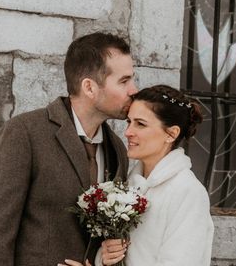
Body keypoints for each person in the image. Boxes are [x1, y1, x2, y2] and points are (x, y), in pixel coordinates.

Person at [0, 32, 138, 266]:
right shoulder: (24, 134)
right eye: (124, 81)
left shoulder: (117, 150)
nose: (133, 90)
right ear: (90, 88)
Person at [61, 85, 214, 266]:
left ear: (171, 134)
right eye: (129, 122)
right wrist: (104, 258)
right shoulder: (128, 186)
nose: (128, 132)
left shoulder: (188, 192)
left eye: (140, 124)